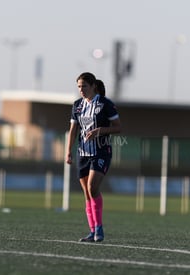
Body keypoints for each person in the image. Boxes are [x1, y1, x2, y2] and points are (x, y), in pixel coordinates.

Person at [66, 72, 121, 242]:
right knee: (87, 194)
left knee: (92, 187)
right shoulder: (77, 106)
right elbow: (73, 130)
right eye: (79, 86)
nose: (81, 89)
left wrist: (100, 131)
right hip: (82, 153)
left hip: (101, 152)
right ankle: (92, 231)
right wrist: (68, 151)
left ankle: (99, 229)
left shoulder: (105, 104)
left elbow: (118, 127)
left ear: (93, 86)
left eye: (84, 86)